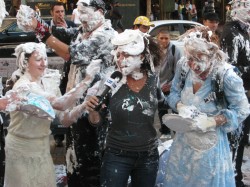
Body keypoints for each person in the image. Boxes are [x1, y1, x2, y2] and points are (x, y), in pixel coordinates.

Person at [16, 0, 117, 186]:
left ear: (100, 12)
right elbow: (62, 33)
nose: (82, 19)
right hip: (75, 104)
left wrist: (45, 34)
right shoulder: (84, 31)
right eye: (80, 13)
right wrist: (36, 25)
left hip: (95, 106)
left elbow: (73, 54)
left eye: (85, 13)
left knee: (90, 156)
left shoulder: (106, 35)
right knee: (74, 153)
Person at [163, 26, 249, 186]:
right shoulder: (184, 67)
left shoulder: (226, 76)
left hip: (210, 150)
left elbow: (242, 109)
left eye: (198, 57)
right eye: (189, 57)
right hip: (182, 147)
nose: (192, 64)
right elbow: (174, 92)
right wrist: (180, 105)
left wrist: (214, 121)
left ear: (212, 54)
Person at [86, 29, 165, 187]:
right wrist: (93, 111)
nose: (121, 60)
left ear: (141, 57)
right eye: (119, 55)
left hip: (148, 156)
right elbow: (96, 122)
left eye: (127, 55)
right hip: (116, 155)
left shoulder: (153, 80)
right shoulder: (111, 80)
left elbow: (163, 107)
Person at [220, 1, 250, 186]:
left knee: (240, 139)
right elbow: (229, 68)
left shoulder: (243, 31)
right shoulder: (231, 33)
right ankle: (231, 177)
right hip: (235, 97)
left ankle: (236, 174)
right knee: (234, 138)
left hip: (244, 93)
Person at [48, 1, 76, 147]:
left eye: (62, 12)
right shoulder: (46, 28)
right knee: (55, 100)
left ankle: (69, 129)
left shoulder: (71, 26)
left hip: (67, 69)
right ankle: (58, 134)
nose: (60, 15)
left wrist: (66, 32)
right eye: (57, 12)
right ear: (52, 13)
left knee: (67, 97)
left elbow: (76, 47)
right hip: (51, 68)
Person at [156, 29, 183, 138]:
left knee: (175, 108)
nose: (164, 40)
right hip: (159, 84)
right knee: (162, 109)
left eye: (166, 38)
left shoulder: (175, 50)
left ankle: (177, 132)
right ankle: (165, 131)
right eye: (161, 38)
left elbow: (179, 70)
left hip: (172, 84)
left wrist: (171, 84)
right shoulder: (155, 50)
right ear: (157, 38)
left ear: (169, 38)